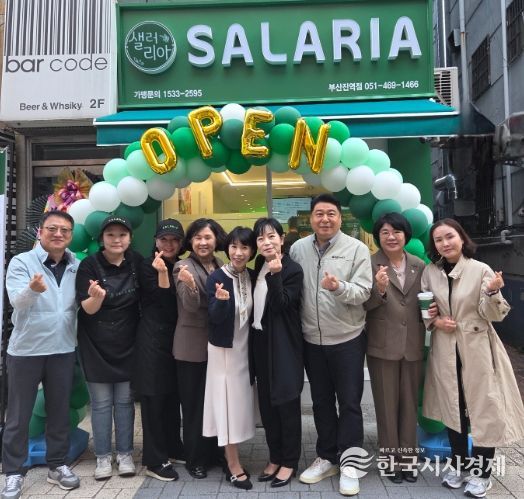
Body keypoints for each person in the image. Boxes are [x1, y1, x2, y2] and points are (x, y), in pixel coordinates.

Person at [421, 218, 524, 498]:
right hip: (445, 349)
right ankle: (459, 465)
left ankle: (482, 474)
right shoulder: (430, 272)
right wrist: (435, 321)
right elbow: (425, 307)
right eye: (439, 239)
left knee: (483, 410)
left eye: (449, 237)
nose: (445, 243)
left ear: (461, 238)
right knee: (453, 409)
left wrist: (492, 292)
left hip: (477, 347)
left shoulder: (481, 270)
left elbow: (494, 314)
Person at [289, 193, 372, 497]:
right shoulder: (298, 249)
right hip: (311, 339)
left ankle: (350, 464)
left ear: (340, 217)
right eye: (319, 214)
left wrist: (338, 288)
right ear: (311, 218)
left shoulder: (356, 248)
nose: (325, 219)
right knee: (321, 402)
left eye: (331, 214)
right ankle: (327, 457)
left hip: (347, 337)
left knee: (349, 402)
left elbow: (364, 291)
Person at [2, 211, 81, 499]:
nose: (58, 234)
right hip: (27, 350)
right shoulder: (22, 262)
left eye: (65, 230)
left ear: (71, 235)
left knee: (59, 412)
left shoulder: (76, 265)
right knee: (18, 415)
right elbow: (17, 302)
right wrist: (32, 290)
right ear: (40, 231)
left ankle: (57, 465)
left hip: (62, 348)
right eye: (52, 228)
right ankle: (13, 471)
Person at [364, 213, 432, 483]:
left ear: (406, 235)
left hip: (412, 343)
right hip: (382, 345)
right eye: (385, 232)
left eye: (396, 232)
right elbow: (362, 305)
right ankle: (391, 461)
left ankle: (408, 460)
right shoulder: (369, 263)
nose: (391, 237)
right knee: (386, 406)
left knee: (408, 405)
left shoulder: (419, 264)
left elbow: (426, 301)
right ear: (377, 237)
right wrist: (379, 290)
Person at [76, 216, 143, 481]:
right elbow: (86, 309)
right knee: (102, 403)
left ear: (130, 238)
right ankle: (103, 457)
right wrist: (97, 298)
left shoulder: (136, 261)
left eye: (122, 235)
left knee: (125, 402)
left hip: (129, 342)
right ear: (101, 238)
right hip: (96, 344)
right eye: (111, 235)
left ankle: (125, 454)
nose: (117, 240)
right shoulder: (89, 265)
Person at [203, 227, 257, 490]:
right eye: (234, 246)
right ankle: (233, 464)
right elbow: (213, 317)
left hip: (244, 349)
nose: (238, 252)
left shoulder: (252, 276)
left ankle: (231, 454)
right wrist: (222, 301)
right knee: (226, 404)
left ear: (252, 251)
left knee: (238, 404)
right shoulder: (216, 277)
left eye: (244, 247)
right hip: (224, 351)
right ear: (227, 248)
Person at [251, 218, 304, 487]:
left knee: (286, 403)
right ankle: (274, 457)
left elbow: (282, 304)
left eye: (272, 236)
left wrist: (276, 275)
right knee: (267, 405)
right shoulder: (258, 265)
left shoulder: (292, 269)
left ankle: (289, 462)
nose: (267, 242)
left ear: (282, 239)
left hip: (284, 344)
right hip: (261, 342)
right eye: (261, 238)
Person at [173, 218, 227, 479]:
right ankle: (195, 459)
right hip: (191, 348)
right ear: (190, 241)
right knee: (194, 406)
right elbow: (191, 306)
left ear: (216, 239)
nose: (203, 242)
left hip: (217, 345)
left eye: (207, 237)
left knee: (215, 404)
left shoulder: (221, 264)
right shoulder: (182, 267)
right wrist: (191, 284)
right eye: (197, 237)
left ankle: (215, 452)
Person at [133, 219, 186, 482]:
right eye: (164, 239)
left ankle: (173, 447)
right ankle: (154, 460)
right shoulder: (147, 265)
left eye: (174, 240)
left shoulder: (182, 265)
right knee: (153, 399)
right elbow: (161, 301)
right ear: (155, 241)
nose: (169, 244)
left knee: (172, 397)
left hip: (175, 340)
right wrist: (163, 274)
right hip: (152, 339)